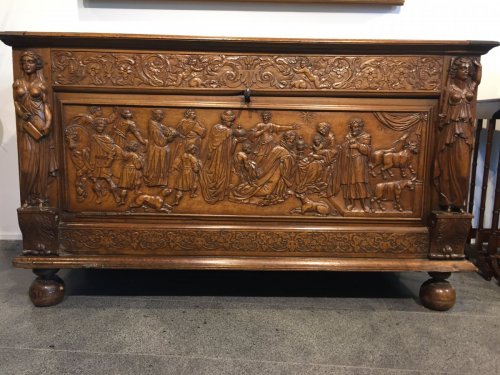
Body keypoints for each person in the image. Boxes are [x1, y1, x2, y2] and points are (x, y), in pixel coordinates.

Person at [434, 57, 481, 212]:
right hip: (451, 130)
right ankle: (446, 202)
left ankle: (459, 203)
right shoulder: (448, 89)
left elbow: (477, 81)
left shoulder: (470, 88)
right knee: (447, 168)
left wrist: (478, 67)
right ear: (455, 70)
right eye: (463, 68)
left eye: (468, 69)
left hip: (465, 131)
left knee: (462, 171)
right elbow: (442, 112)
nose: (466, 71)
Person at [13, 51, 53, 208]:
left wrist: (48, 124)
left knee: (40, 165)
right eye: (24, 62)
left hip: (39, 125)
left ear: (36, 64)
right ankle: (26, 197)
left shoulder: (42, 84)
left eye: (30, 61)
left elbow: (46, 106)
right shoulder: (17, 83)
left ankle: (39, 198)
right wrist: (22, 113)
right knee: (27, 168)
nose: (27, 65)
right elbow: (16, 102)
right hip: (26, 128)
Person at [200, 110, 241, 204]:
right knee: (216, 173)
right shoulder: (224, 130)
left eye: (232, 121)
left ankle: (217, 194)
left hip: (223, 157)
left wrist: (235, 141)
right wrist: (236, 140)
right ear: (224, 120)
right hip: (216, 157)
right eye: (230, 121)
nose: (231, 123)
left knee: (220, 173)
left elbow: (230, 150)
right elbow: (215, 142)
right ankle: (214, 193)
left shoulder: (219, 129)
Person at [334, 118, 372, 212]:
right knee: (350, 183)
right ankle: (351, 203)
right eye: (352, 127)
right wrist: (343, 147)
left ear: (360, 127)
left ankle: (364, 204)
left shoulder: (366, 136)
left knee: (360, 182)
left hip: (359, 162)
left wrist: (357, 145)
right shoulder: (348, 136)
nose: (354, 129)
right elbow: (344, 146)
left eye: (356, 127)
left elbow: (368, 150)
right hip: (349, 162)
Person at [143, 109, 178, 187]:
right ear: (155, 115)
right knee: (156, 165)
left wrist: (172, 132)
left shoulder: (157, 124)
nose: (162, 117)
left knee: (161, 166)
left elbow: (166, 130)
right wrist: (171, 137)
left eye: (162, 115)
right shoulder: (153, 124)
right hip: (156, 149)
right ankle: (154, 182)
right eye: (160, 115)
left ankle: (160, 182)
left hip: (160, 149)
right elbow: (160, 141)